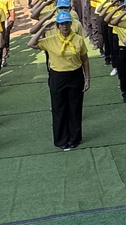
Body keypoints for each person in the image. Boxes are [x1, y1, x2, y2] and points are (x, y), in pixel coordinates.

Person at [30, 9, 92, 150]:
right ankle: (61, 139)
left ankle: (74, 138)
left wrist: (87, 78)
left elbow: (85, 59)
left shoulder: (78, 39)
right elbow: (32, 43)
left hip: (75, 75)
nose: (64, 27)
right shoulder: (50, 40)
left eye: (67, 24)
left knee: (75, 107)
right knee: (59, 108)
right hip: (58, 76)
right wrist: (44, 28)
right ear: (57, 26)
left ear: (71, 24)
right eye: (61, 24)